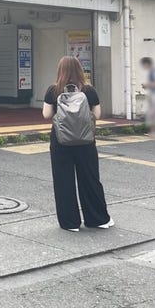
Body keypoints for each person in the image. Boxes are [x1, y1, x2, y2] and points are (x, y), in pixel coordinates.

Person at [42, 56, 112, 232]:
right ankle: (97, 219)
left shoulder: (53, 90)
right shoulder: (88, 90)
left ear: (60, 70)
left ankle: (70, 223)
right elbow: (97, 115)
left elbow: (46, 114)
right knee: (90, 179)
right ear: (80, 69)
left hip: (61, 141)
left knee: (63, 181)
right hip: (85, 141)